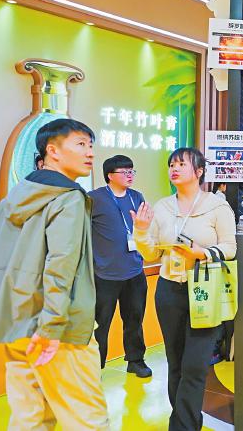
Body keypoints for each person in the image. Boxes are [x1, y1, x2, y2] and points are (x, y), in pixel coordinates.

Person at [0, 119, 109, 430]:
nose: (90, 153)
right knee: (87, 419)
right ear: (52, 150)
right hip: (58, 330)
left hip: (17, 323)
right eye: (81, 144)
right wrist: (51, 327)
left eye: (91, 146)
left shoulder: (15, 197)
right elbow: (61, 265)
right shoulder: (68, 197)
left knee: (30, 418)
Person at [132, 147, 237, 431]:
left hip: (205, 290)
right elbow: (151, 253)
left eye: (181, 164)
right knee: (176, 363)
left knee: (194, 365)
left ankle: (181, 426)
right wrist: (140, 230)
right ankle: (186, 422)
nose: (174, 169)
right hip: (169, 290)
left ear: (199, 171)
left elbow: (230, 247)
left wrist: (201, 253)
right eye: (171, 165)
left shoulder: (217, 206)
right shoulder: (162, 207)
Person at [88, 155, 151, 376]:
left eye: (131, 171)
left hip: (134, 271)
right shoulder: (94, 198)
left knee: (134, 319)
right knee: (100, 324)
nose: (130, 175)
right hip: (104, 274)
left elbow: (144, 228)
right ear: (110, 175)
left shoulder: (137, 197)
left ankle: (136, 361)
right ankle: (94, 367)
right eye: (124, 172)